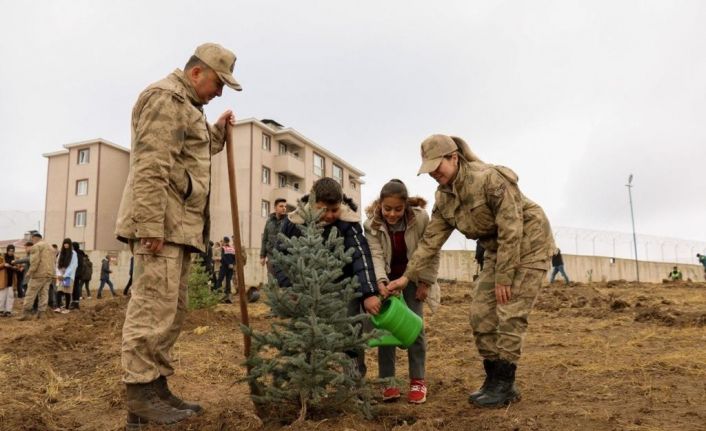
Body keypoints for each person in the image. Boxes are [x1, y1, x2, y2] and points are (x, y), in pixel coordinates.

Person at [115, 42, 240, 427]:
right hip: (162, 227)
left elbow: (195, 153)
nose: (219, 92)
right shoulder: (165, 99)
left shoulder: (188, 108)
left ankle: (155, 388)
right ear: (197, 72)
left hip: (181, 229)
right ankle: (139, 392)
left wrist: (217, 131)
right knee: (151, 309)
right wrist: (150, 226)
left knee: (171, 313)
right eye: (219, 83)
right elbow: (151, 166)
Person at [387, 134, 554, 408]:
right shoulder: (444, 197)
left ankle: (505, 384)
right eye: (428, 170)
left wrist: (504, 277)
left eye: (436, 167)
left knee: (509, 313)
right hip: (496, 250)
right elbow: (430, 242)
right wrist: (406, 277)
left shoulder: (489, 178)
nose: (433, 174)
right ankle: (493, 379)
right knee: (479, 314)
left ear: (453, 158)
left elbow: (512, 229)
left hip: (529, 244)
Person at [275, 177, 380, 378]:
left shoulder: (348, 223)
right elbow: (280, 257)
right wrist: (289, 288)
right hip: (305, 290)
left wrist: (369, 293)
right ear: (313, 203)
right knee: (308, 336)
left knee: (349, 335)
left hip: (344, 288)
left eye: (335, 210)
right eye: (324, 210)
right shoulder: (293, 222)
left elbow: (361, 256)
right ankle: (307, 383)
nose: (331, 216)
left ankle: (353, 384)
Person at [364, 179, 438, 404]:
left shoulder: (421, 219)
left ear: (406, 205)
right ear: (380, 205)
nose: (392, 214)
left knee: (415, 327)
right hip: (386, 281)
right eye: (387, 209)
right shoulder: (371, 225)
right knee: (385, 328)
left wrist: (425, 281)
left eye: (398, 209)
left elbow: (431, 251)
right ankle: (388, 382)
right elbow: (375, 255)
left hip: (413, 279)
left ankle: (418, 381)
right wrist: (381, 283)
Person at [18, 233, 55, 321]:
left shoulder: (36, 246)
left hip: (38, 274)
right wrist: (53, 274)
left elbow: (34, 261)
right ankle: (42, 314)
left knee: (30, 293)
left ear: (34, 238)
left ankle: (26, 313)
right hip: (48, 274)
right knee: (44, 294)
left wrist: (29, 272)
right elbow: (54, 262)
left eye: (32, 239)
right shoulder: (50, 247)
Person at [260, 198, 288, 280]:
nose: (284, 208)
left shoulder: (288, 221)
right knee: (272, 281)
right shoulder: (269, 221)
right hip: (271, 256)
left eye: (285, 206)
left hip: (284, 257)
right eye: (281, 206)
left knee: (283, 282)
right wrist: (262, 256)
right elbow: (265, 239)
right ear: (275, 207)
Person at [54, 238, 78, 314]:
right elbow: (57, 264)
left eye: (67, 243)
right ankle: (58, 307)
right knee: (59, 291)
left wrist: (65, 275)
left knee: (67, 291)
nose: (66, 245)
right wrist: (59, 274)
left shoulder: (73, 253)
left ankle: (67, 308)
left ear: (70, 244)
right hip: (61, 275)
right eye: (64, 243)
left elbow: (73, 265)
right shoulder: (61, 253)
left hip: (68, 276)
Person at [215, 237, 235, 303]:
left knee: (219, 279)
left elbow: (223, 258)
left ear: (225, 242)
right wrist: (232, 264)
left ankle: (218, 293)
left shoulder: (224, 248)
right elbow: (235, 257)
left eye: (222, 241)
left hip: (224, 266)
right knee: (228, 281)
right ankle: (228, 294)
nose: (222, 242)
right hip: (230, 267)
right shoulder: (232, 248)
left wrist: (228, 263)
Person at [70, 242, 86, 309]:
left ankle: (75, 303)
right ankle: (75, 302)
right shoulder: (80, 253)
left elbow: (77, 265)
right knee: (75, 288)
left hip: (76, 274)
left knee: (75, 288)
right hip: (78, 274)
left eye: (72, 246)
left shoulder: (76, 254)